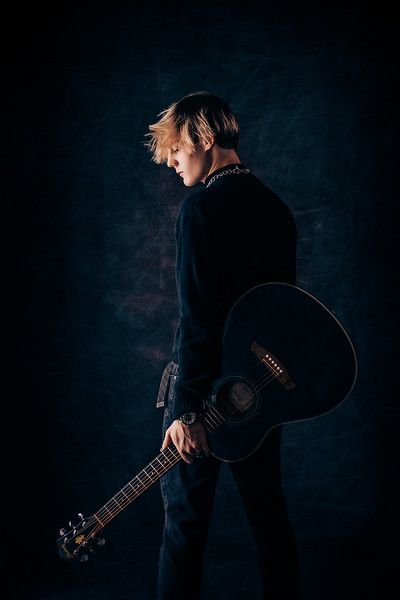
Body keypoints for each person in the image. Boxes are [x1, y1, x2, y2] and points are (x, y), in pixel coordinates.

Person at [144, 91, 300, 599]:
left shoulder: (202, 209)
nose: (171, 161)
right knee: (270, 522)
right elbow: (280, 314)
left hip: (204, 397)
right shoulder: (277, 211)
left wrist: (186, 407)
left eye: (177, 150)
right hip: (259, 390)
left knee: (185, 529)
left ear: (205, 139)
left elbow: (198, 319)